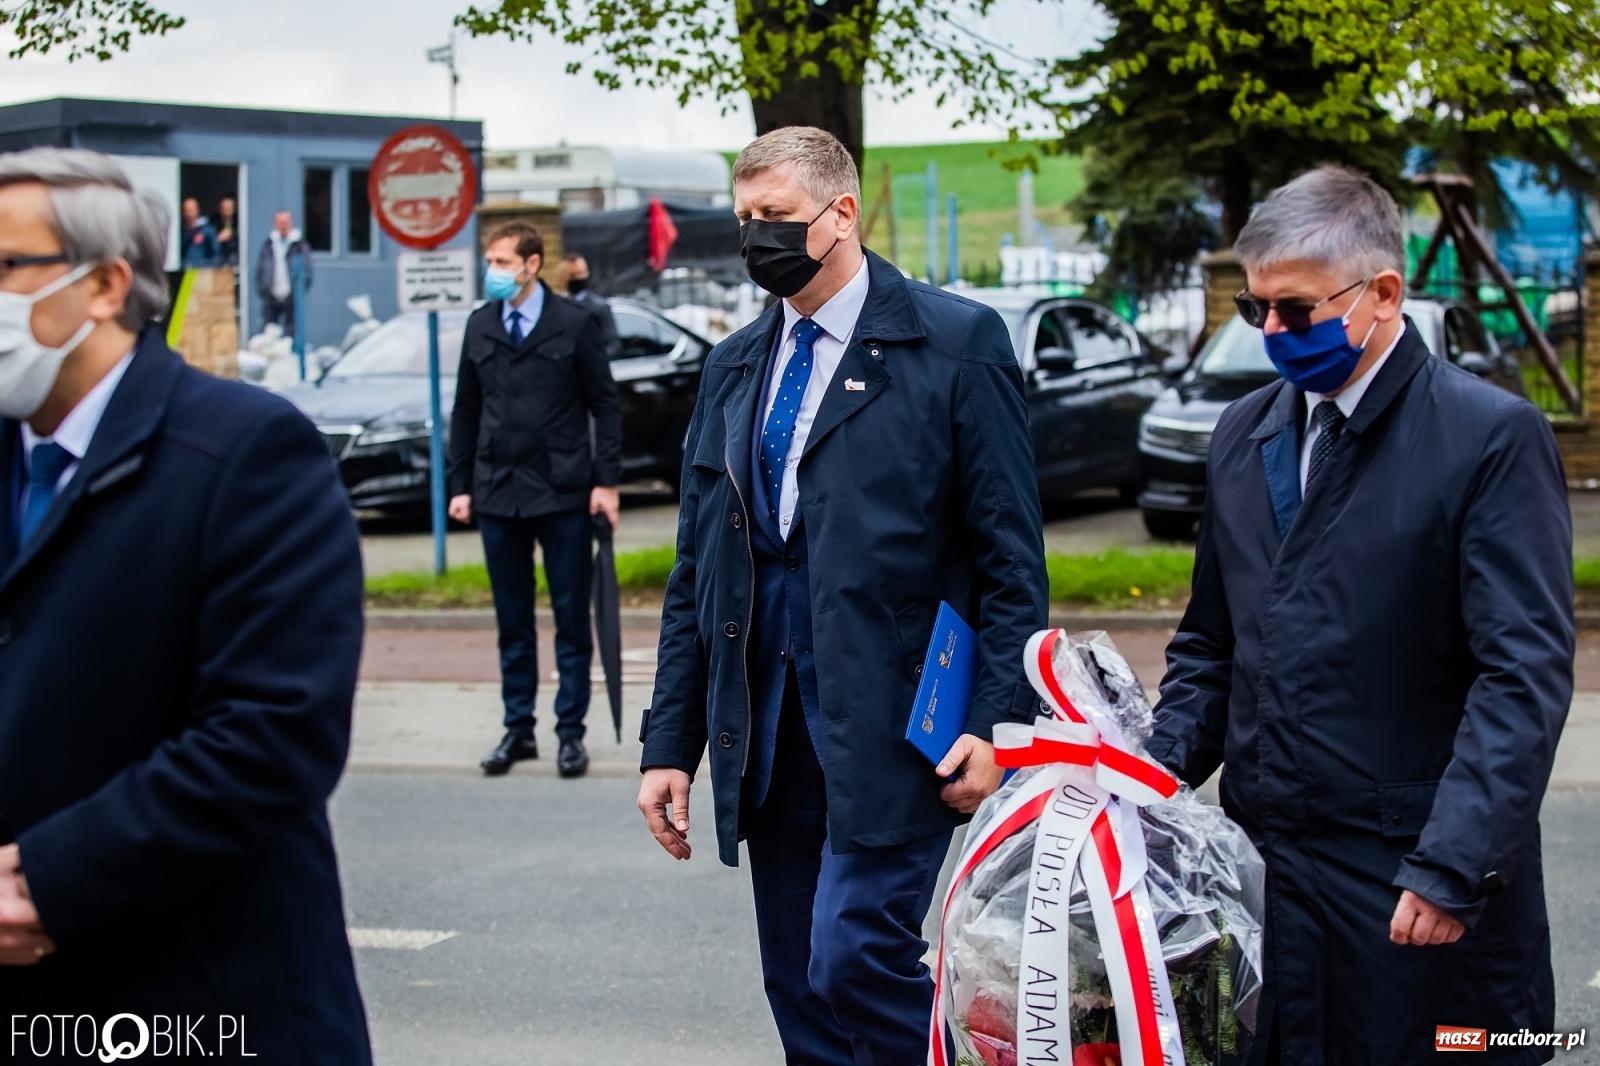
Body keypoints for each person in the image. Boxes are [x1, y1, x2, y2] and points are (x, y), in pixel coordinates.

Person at [637, 126, 1047, 1063]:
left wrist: (996, 723)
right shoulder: (735, 365)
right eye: (744, 218)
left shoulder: (956, 344)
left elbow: (1010, 560)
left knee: (853, 954)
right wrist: (671, 744)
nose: (756, 237)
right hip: (767, 727)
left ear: (842, 213)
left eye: (776, 215)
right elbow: (698, 571)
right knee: (797, 984)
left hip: (898, 719)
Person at [1147, 165, 1572, 1065]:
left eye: (1295, 309)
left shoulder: (1488, 437)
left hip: (1413, 878)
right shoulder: (1245, 434)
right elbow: (1214, 643)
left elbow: (1521, 675)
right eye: (1254, 308)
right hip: (1271, 877)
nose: (1271, 331)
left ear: (1383, 294)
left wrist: (1453, 862)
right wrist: (1140, 779)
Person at [0, 148, 370, 1059]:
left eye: (6, 265)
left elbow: (272, 737)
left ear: (104, 285)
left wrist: (47, 882)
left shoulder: (246, 452)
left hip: (201, 1002)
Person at [447, 221, 622, 780]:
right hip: (498, 492)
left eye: (502, 262)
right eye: (490, 262)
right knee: (512, 620)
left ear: (531, 264)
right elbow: (465, 411)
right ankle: (517, 730)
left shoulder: (574, 323)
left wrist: (606, 482)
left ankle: (570, 733)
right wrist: (459, 485)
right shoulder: (480, 325)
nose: (493, 272)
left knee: (571, 617)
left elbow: (605, 404)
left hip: (563, 491)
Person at [256, 209, 312, 334]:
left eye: (285, 222)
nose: (283, 225)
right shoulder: (268, 245)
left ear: (291, 223)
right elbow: (261, 270)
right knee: (269, 331)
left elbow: (307, 270)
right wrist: (263, 289)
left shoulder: (299, 245)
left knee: (292, 331)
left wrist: (300, 289)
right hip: (271, 295)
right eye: (280, 222)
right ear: (275, 224)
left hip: (291, 295)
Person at [558, 251, 621, 360]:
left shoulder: (599, 307)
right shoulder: (556, 307)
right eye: (573, 275)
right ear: (563, 277)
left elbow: (613, 345)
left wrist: (594, 360)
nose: (579, 278)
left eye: (582, 273)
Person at [178, 195, 218, 269]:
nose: (188, 213)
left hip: (201, 271)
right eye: (186, 210)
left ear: (197, 210)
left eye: (191, 210)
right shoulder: (178, 232)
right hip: (183, 270)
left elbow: (215, 254)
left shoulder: (207, 230)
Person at [216, 195, 239, 266]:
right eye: (223, 208)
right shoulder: (214, 225)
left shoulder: (239, 225)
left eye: (228, 208)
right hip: (218, 261)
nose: (225, 211)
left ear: (234, 210)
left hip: (234, 261)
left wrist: (232, 235)